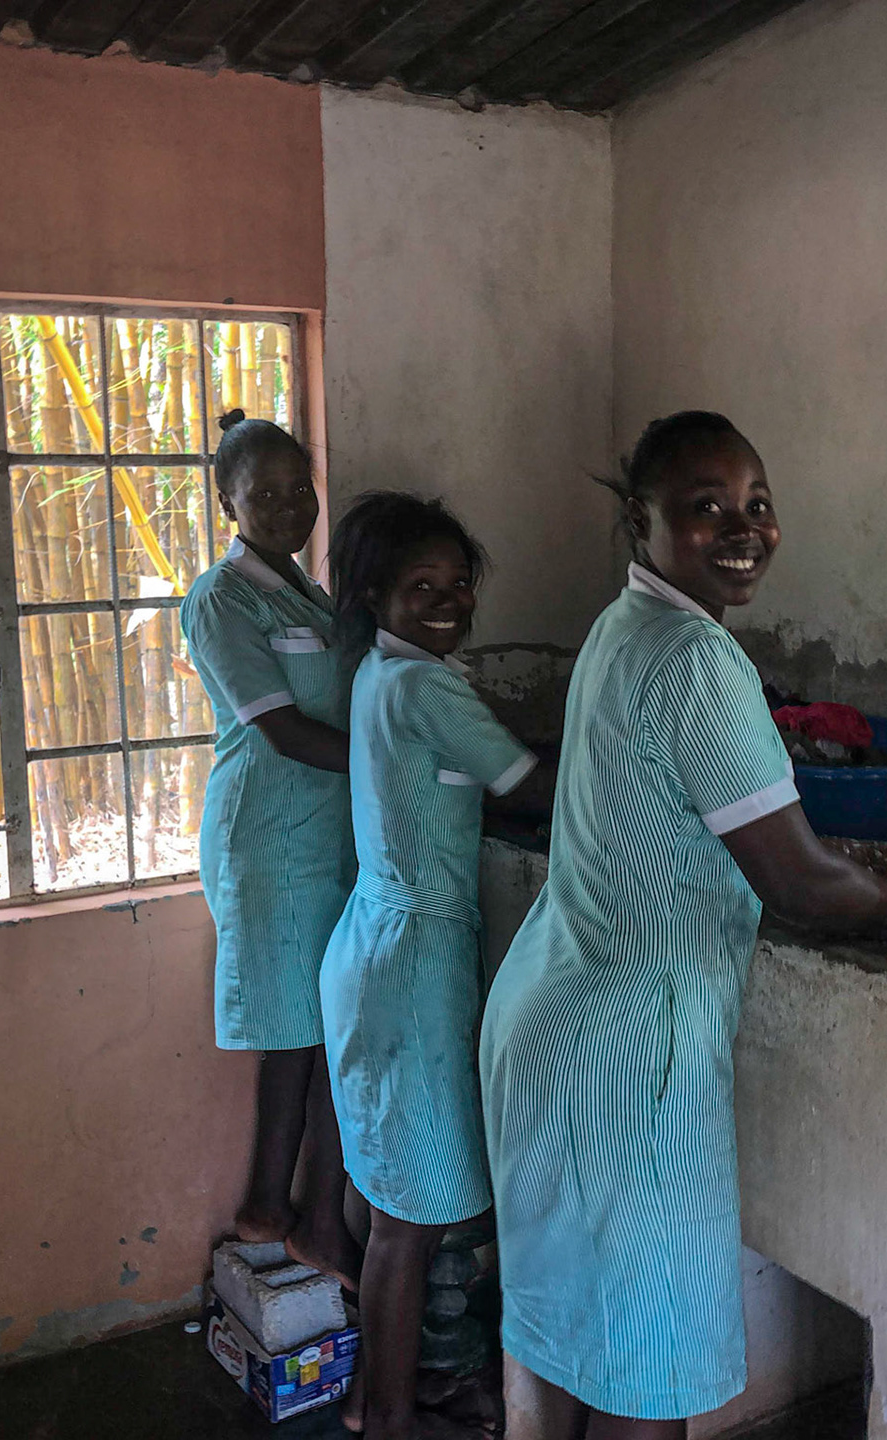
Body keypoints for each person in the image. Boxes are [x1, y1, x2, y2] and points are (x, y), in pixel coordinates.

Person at [480, 412, 887, 1440]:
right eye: (706, 508)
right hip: (630, 1066)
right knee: (648, 1377)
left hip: (551, 1020)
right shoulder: (700, 660)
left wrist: (872, 861)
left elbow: (708, 825)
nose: (743, 528)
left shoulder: (623, 627)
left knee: (590, 1349)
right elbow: (794, 881)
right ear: (642, 518)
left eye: (757, 504)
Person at [321, 492, 553, 1440]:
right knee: (408, 1226)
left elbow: (473, 765)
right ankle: (386, 1417)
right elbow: (533, 788)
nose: (450, 601)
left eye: (460, 584)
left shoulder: (383, 672)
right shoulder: (427, 686)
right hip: (414, 964)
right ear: (376, 593)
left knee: (381, 1191)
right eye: (424, 586)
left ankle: (393, 1390)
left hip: (369, 948)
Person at [180, 409, 362, 1291]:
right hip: (269, 840)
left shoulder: (306, 592)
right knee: (297, 1037)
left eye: (302, 488)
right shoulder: (222, 599)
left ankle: (302, 1212)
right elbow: (285, 731)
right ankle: (286, 1210)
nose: (292, 506)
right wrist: (396, 767)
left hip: (322, 837)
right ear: (228, 501)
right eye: (267, 493)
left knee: (327, 1033)